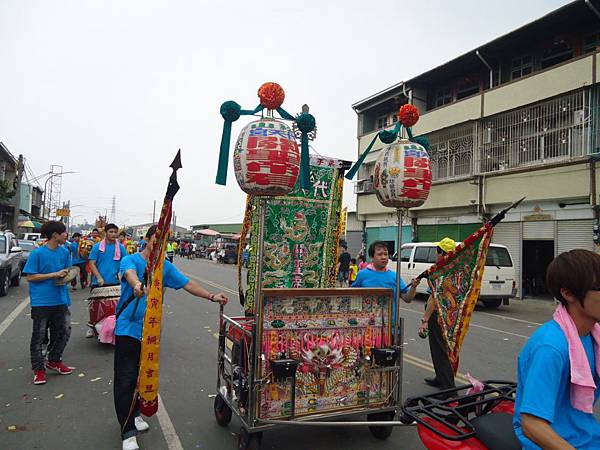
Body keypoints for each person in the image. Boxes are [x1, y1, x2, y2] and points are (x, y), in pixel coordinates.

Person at [113, 225, 228, 450]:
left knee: (141, 376)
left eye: (164, 241)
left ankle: (135, 413)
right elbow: (130, 275)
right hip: (128, 330)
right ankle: (127, 431)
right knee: (125, 379)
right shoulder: (131, 260)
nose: (160, 245)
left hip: (151, 333)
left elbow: (187, 284)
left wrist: (212, 296)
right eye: (156, 240)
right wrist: (137, 285)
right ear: (146, 240)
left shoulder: (165, 267)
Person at [513, 249, 600, 449]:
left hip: (586, 434)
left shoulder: (593, 336)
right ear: (568, 293)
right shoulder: (551, 347)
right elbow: (531, 424)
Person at [23, 221, 73, 385]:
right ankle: (38, 370)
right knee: (39, 336)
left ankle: (54, 360)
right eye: (63, 232)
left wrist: (66, 275)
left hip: (60, 299)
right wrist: (53, 274)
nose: (66, 235)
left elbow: (67, 272)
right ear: (54, 235)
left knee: (64, 331)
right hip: (42, 301)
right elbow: (30, 277)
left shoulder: (65, 252)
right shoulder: (37, 254)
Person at [418, 237, 457, 390]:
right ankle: (440, 377)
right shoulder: (453, 268)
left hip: (439, 315)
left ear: (441, 252)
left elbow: (434, 297)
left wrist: (425, 320)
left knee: (440, 349)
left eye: (437, 251)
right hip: (449, 315)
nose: (436, 254)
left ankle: (448, 387)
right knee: (441, 348)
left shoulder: (442, 271)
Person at [352, 241, 418, 329]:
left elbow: (407, 298)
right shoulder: (362, 275)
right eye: (379, 254)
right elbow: (352, 296)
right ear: (372, 256)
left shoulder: (394, 276)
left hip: (390, 326)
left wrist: (413, 287)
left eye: (386, 254)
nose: (384, 257)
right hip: (366, 326)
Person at [89, 224, 128, 288]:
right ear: (105, 233)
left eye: (115, 232)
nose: (113, 234)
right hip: (99, 282)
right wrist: (98, 277)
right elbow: (92, 263)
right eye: (111, 232)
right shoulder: (97, 247)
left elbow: (126, 262)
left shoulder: (121, 248)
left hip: (116, 282)